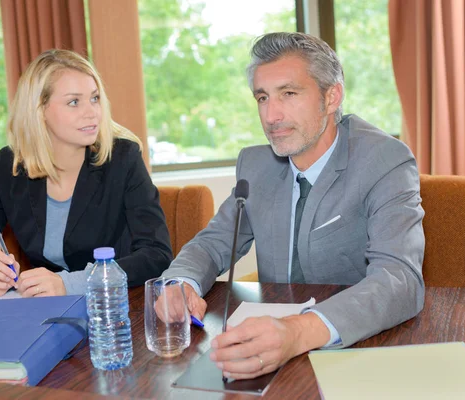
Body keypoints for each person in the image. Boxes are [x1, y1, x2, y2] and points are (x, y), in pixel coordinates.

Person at [162, 32, 425, 380]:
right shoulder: (256, 165)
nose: (271, 115)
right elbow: (213, 243)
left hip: (359, 349)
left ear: (332, 97)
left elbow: (400, 279)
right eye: (262, 97)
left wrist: (297, 332)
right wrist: (181, 284)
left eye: (288, 93)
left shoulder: (384, 160)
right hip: (269, 350)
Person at [0, 49, 173, 297]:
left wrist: (70, 284)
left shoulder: (122, 159)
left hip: (115, 309)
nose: (92, 112)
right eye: (74, 102)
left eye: (95, 98)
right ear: (40, 109)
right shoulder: (10, 166)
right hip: (45, 313)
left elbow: (156, 253)